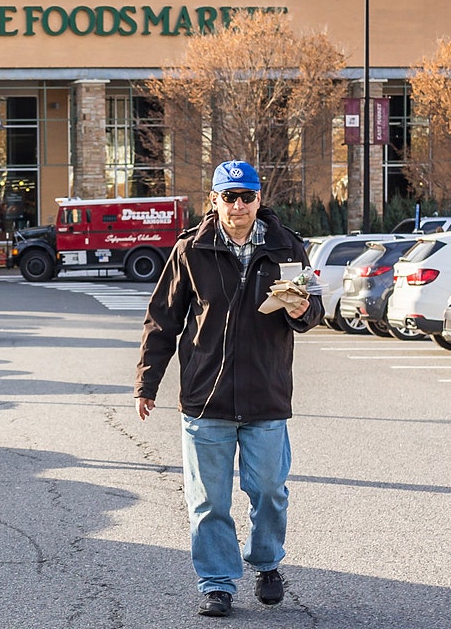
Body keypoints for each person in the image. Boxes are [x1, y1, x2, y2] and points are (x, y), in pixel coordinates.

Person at [133, 160, 324, 618]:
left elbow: (314, 309)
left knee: (270, 491)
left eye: (247, 197)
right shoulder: (190, 251)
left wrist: (301, 311)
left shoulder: (287, 247)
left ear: (259, 199)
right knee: (208, 501)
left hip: (266, 395)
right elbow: (162, 320)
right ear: (214, 200)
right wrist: (147, 381)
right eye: (229, 197)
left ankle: (267, 563)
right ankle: (216, 583)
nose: (239, 206)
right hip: (206, 398)